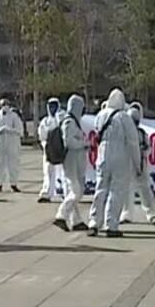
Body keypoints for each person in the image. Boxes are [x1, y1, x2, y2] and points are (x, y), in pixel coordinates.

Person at [88, 89, 140, 237]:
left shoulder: (100, 115)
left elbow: (97, 132)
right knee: (116, 191)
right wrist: (137, 163)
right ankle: (111, 224)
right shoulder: (125, 117)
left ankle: (93, 222)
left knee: (100, 189)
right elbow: (133, 142)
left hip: (103, 155)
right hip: (120, 157)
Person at [120, 102, 155, 226]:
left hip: (141, 165)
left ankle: (152, 214)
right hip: (127, 164)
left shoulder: (142, 134)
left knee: (145, 191)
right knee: (126, 190)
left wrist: (142, 152)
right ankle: (126, 214)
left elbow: (149, 148)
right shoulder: (123, 134)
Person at [53, 95, 89, 232]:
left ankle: (76, 220)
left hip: (76, 160)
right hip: (71, 160)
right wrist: (83, 144)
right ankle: (61, 215)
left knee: (74, 189)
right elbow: (68, 142)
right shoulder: (69, 122)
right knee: (76, 191)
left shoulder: (74, 122)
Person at [0, 99, 23, 193]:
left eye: (6, 104)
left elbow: (19, 130)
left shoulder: (14, 116)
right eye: (3, 104)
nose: (5, 106)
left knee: (13, 164)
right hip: (0, 144)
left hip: (12, 143)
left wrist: (9, 130)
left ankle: (14, 184)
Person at [37, 98, 64, 203]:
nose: (52, 108)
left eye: (54, 106)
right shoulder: (45, 121)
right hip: (49, 150)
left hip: (61, 149)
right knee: (48, 171)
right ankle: (46, 193)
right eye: (50, 106)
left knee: (62, 172)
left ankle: (62, 192)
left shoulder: (62, 118)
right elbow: (42, 136)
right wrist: (45, 145)